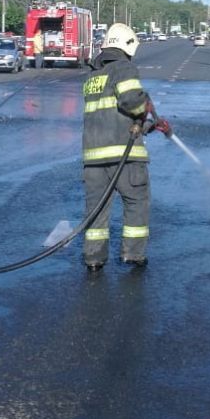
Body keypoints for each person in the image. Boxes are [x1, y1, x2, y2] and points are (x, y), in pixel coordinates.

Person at [80, 22, 170, 272]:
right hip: (125, 157)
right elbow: (131, 102)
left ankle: (94, 260)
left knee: (96, 210)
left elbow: (112, 114)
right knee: (136, 205)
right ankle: (133, 255)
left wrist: (148, 125)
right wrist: (146, 106)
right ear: (127, 45)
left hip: (94, 160)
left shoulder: (93, 76)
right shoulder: (124, 68)